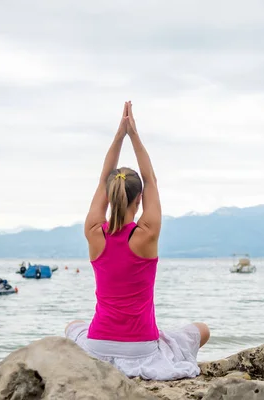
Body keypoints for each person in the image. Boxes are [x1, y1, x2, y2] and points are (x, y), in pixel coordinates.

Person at [64, 101, 210, 380]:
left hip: (98, 346)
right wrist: (133, 135)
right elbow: (151, 179)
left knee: (73, 325)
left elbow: (101, 181)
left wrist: (118, 136)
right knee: (202, 329)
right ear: (139, 198)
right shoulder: (146, 234)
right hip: (141, 350)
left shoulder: (95, 232)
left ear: (110, 194)